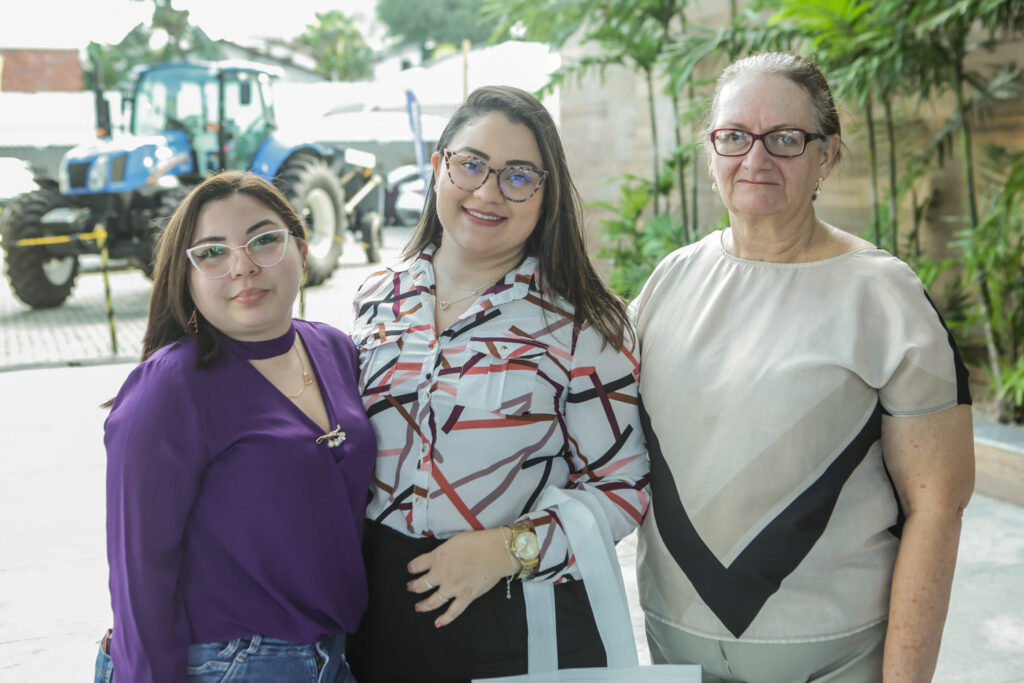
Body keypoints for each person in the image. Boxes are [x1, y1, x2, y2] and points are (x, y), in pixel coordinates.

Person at [631, 52, 975, 682]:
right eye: (733, 136)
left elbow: (938, 507)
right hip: (674, 649)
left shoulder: (883, 296)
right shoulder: (669, 281)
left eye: (785, 139)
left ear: (828, 156)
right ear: (710, 151)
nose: (755, 159)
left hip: (836, 656)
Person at [345, 85, 651, 682]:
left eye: (518, 176)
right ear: (438, 168)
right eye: (471, 164)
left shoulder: (583, 325)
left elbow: (624, 486)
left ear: (546, 194)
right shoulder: (376, 298)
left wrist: (508, 550)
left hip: (518, 614)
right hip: (376, 616)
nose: (488, 191)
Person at [95, 171, 375, 682]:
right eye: (212, 253)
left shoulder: (336, 350)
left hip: (330, 657)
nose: (243, 267)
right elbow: (139, 573)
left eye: (265, 240)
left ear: (302, 248)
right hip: (225, 663)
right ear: (188, 276)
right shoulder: (170, 386)